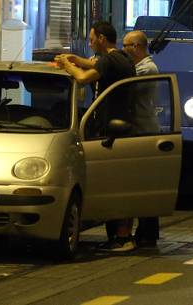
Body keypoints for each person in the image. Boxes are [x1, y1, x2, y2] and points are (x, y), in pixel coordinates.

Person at [56, 21, 136, 253]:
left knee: (116, 184)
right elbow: (91, 63)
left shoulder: (110, 60)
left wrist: (66, 65)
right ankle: (120, 235)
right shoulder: (119, 58)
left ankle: (122, 237)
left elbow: (83, 77)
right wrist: (72, 58)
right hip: (116, 127)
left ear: (102, 39)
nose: (90, 44)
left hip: (113, 130)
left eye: (91, 40)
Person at [122, 30, 161, 249]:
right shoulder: (142, 66)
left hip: (144, 133)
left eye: (126, 46)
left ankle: (148, 233)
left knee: (145, 185)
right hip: (139, 131)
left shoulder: (147, 68)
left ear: (137, 47)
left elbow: (123, 82)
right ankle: (145, 232)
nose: (123, 50)